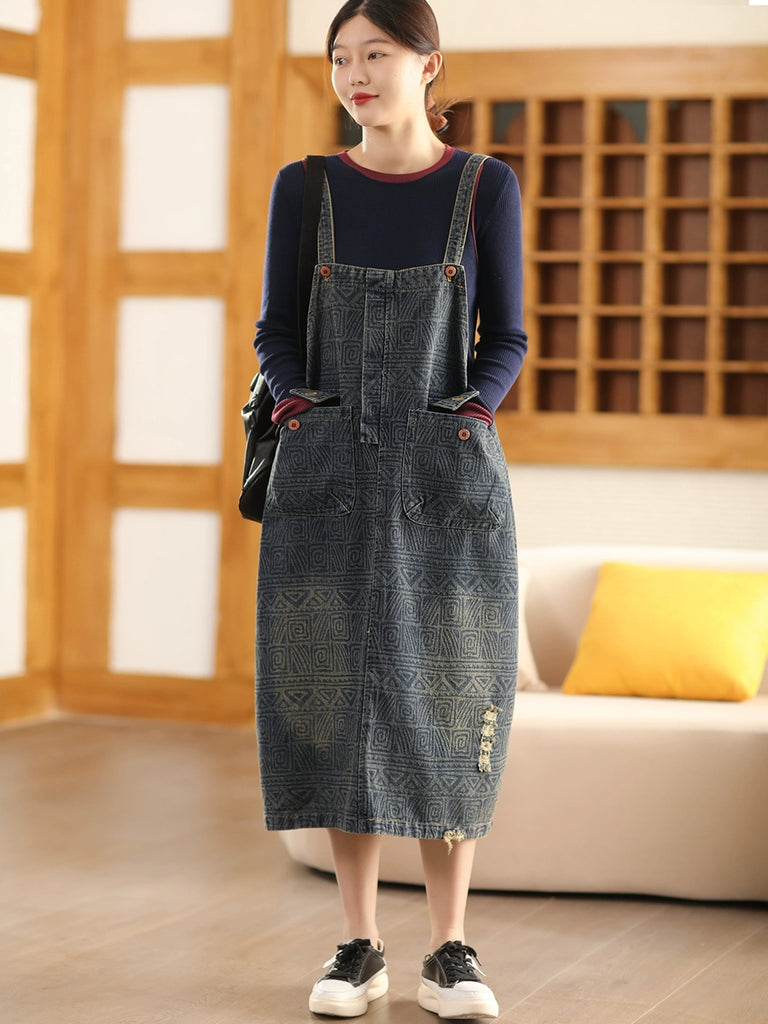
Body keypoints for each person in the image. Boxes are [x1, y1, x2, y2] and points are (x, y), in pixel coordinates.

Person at [253, 0, 527, 1017]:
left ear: (428, 65)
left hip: (448, 474)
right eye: (340, 58)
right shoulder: (305, 187)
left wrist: (469, 415)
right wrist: (300, 406)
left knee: (452, 697)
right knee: (332, 699)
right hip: (324, 475)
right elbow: (276, 330)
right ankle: (358, 945)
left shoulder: (484, 185)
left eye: (376, 53)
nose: (354, 74)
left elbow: (508, 336)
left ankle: (450, 949)